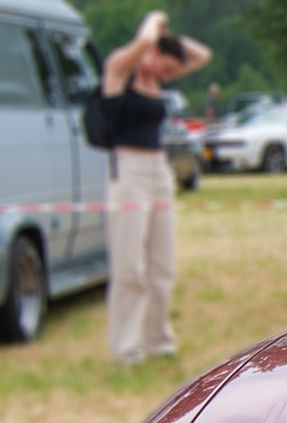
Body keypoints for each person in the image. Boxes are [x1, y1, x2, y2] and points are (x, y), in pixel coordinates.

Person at [100, 9, 211, 365]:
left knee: (162, 264)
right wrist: (155, 20)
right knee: (130, 263)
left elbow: (201, 55)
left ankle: (158, 340)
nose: (169, 74)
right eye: (165, 66)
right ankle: (127, 348)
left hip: (157, 168)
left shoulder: (157, 78)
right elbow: (145, 41)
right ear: (150, 53)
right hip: (128, 168)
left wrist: (171, 38)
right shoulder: (120, 68)